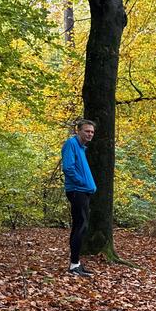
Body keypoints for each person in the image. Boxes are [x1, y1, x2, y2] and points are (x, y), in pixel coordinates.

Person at [61, 119, 97, 277]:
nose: (90, 134)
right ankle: (74, 265)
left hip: (83, 191)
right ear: (78, 131)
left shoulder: (81, 148)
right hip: (77, 191)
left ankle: (76, 263)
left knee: (80, 226)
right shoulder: (71, 144)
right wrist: (82, 182)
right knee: (80, 227)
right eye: (87, 131)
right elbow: (68, 168)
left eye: (92, 132)